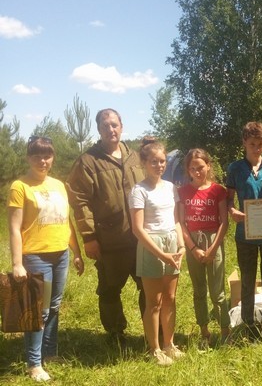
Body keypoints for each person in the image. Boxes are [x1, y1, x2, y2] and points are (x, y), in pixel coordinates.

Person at [8, 136, 84, 382]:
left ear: (53, 157)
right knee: (38, 311)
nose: (43, 161)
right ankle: (34, 363)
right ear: (28, 158)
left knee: (54, 307)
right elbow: (14, 228)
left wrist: (76, 252)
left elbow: (66, 221)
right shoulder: (20, 186)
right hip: (35, 256)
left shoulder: (59, 185)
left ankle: (50, 354)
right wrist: (17, 263)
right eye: (37, 156)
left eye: (47, 156)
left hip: (60, 254)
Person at [66, 108, 145, 345]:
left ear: (121, 126)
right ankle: (115, 333)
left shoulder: (136, 158)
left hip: (141, 239)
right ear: (99, 130)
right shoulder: (88, 162)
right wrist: (89, 237)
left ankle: (153, 330)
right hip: (109, 239)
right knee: (110, 289)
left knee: (148, 285)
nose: (111, 129)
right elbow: (79, 202)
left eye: (114, 125)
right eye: (105, 126)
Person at [129, 137, 186, 364]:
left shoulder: (171, 188)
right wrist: (162, 255)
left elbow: (177, 220)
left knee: (170, 298)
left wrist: (181, 245)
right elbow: (137, 229)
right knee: (154, 301)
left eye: (162, 161)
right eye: (154, 161)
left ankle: (169, 344)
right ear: (144, 163)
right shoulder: (139, 190)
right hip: (151, 246)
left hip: (172, 243)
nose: (159, 165)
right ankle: (154, 349)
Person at [226, 122, 262, 339]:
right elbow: (228, 199)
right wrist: (232, 211)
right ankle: (248, 323)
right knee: (248, 278)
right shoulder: (234, 168)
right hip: (245, 233)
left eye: (260, 144)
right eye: (252, 144)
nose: (256, 148)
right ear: (244, 143)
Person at [178, 148, 230, 348]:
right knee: (199, 290)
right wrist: (193, 249)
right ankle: (204, 332)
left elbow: (224, 222)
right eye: (193, 169)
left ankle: (225, 332)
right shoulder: (182, 192)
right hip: (193, 242)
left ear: (208, 166)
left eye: (200, 167)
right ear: (188, 170)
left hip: (213, 241)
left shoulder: (218, 190)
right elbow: (181, 223)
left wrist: (213, 249)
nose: (197, 172)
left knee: (217, 292)